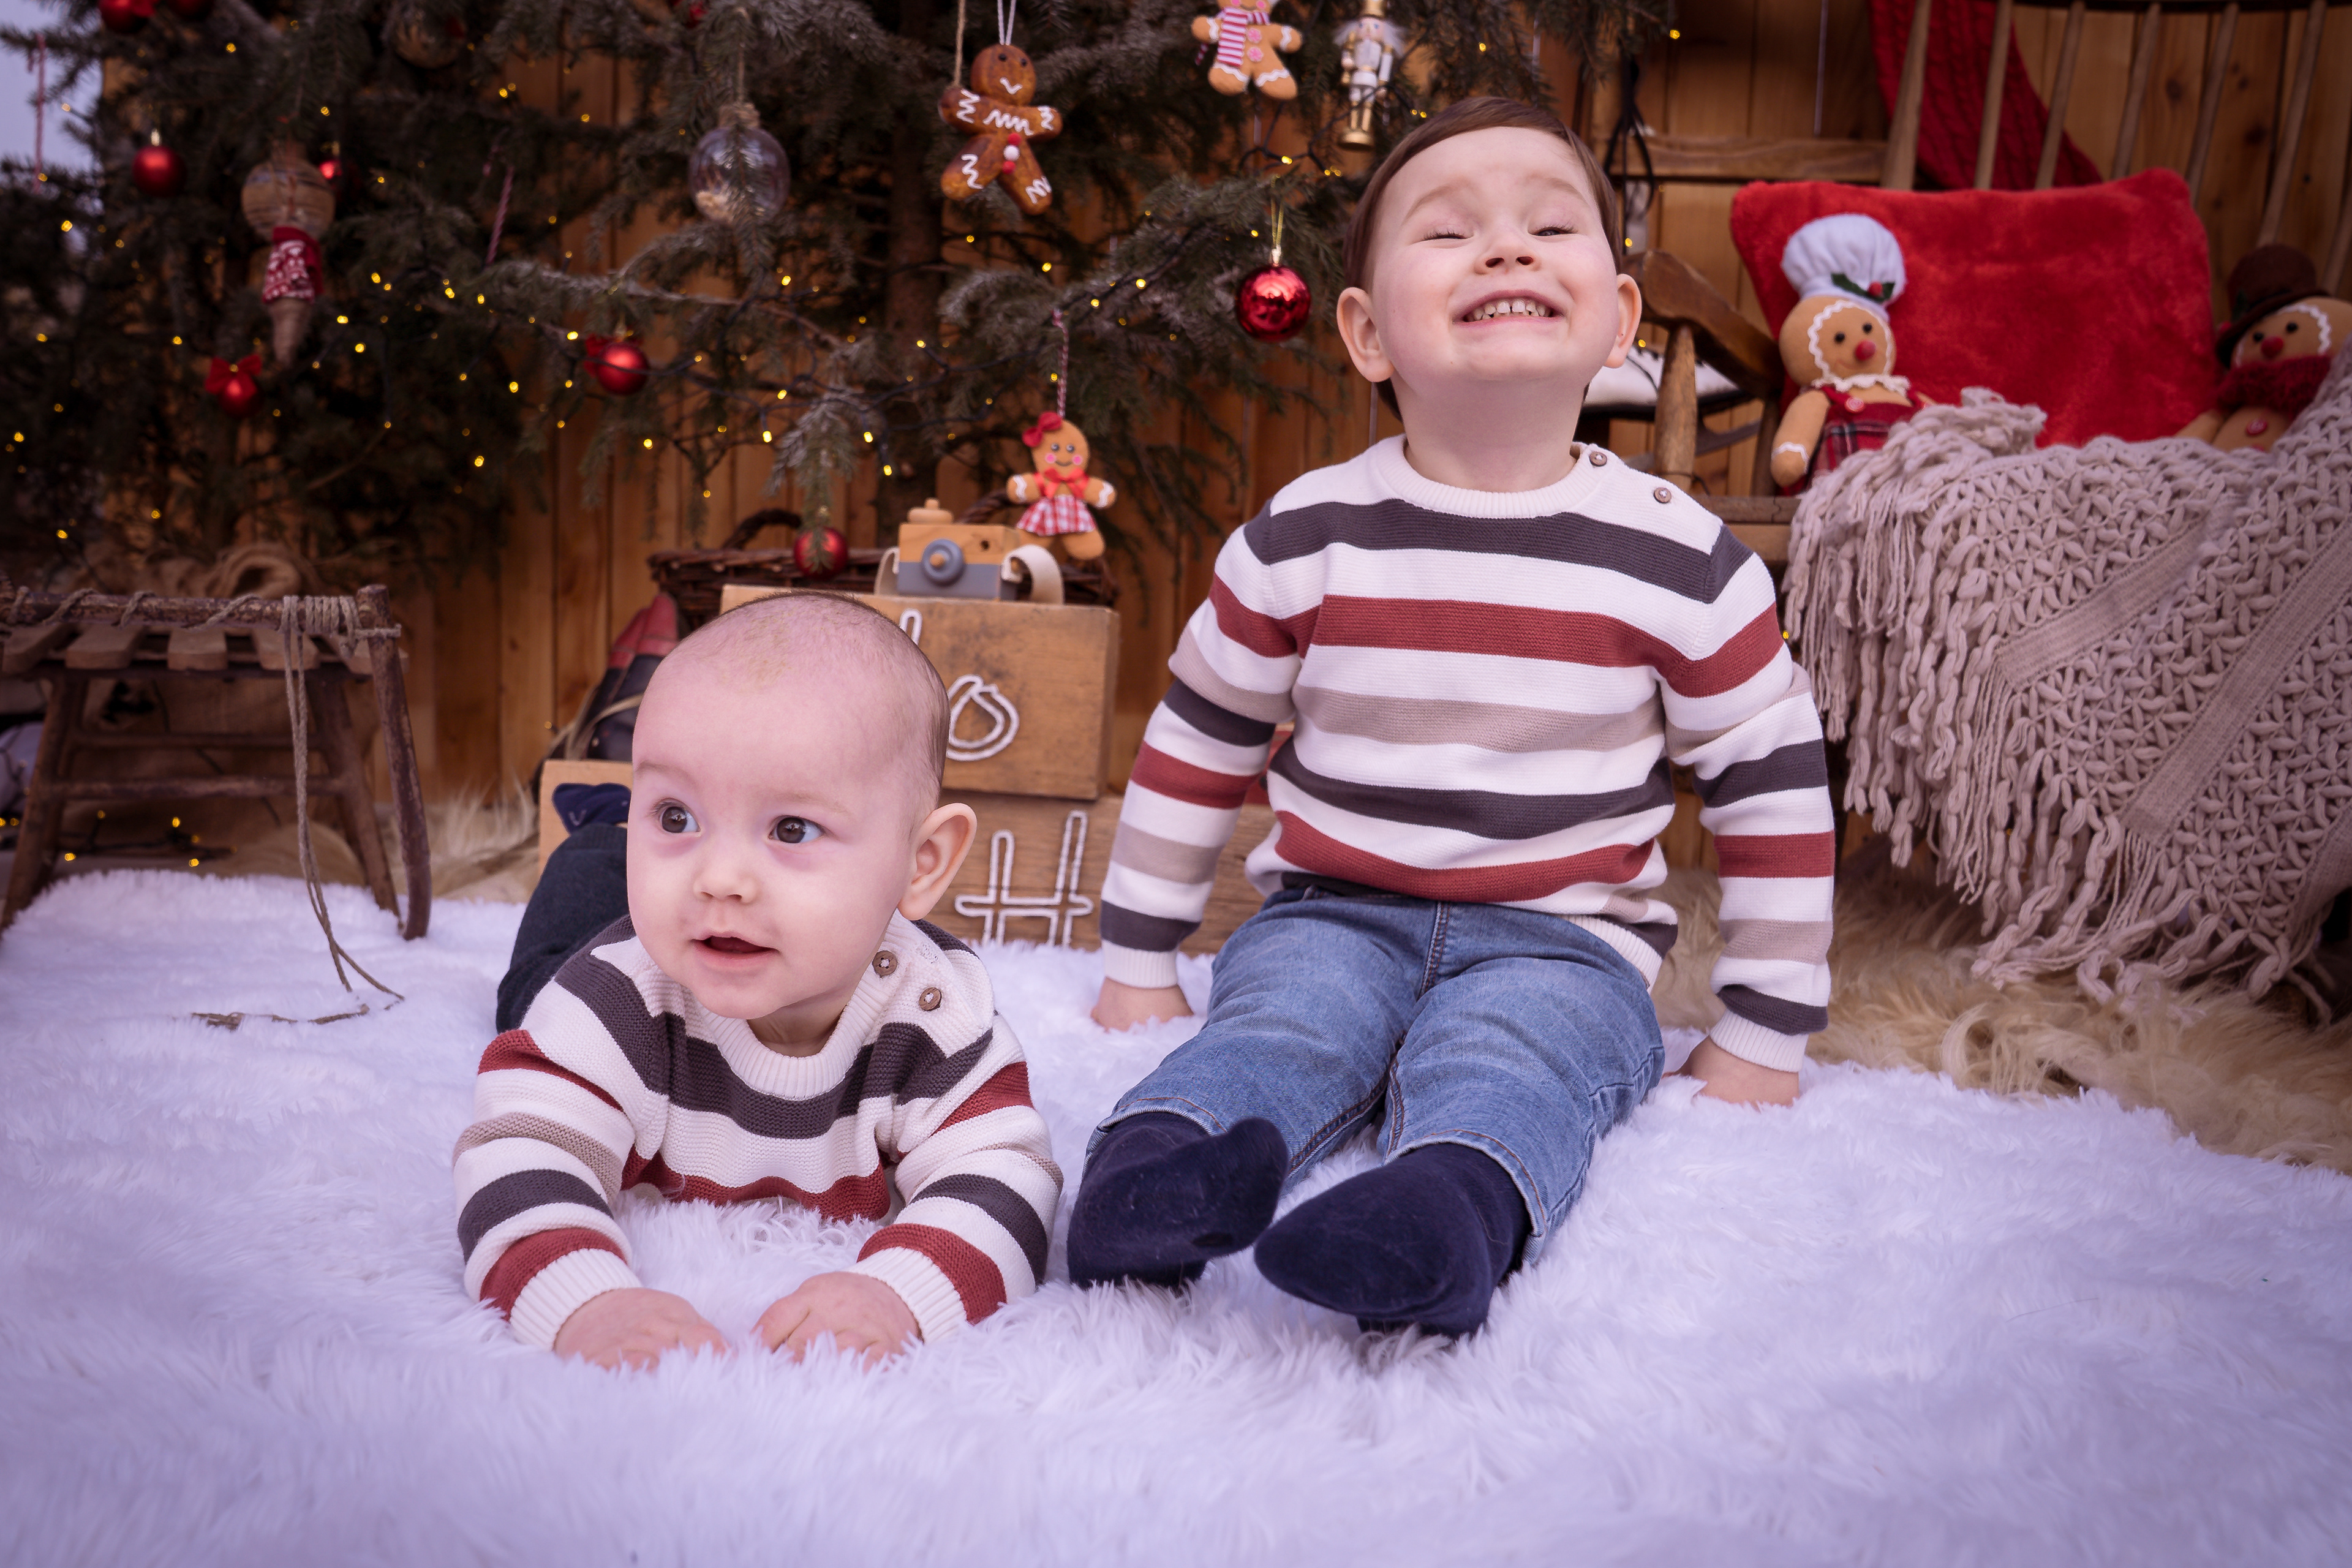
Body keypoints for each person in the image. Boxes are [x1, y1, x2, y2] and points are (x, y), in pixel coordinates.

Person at [1069, 97, 1836, 1337]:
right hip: (1332, 913)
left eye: (1550, 225)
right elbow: (1199, 740)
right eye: (1449, 231)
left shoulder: (1683, 560)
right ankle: (1150, 1172)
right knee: (1280, 1029)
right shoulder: (1303, 539)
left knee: (1519, 1060)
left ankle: (1444, 1210)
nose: (1507, 247)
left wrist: (1765, 1027)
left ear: (1620, 321)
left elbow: (1773, 787)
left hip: (1566, 943)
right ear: (1368, 334)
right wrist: (1138, 960)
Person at [454, 592, 1061, 1369]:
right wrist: (583, 1297)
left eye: (791, 828)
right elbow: (519, 1146)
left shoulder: (933, 1014)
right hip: (615, 948)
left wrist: (899, 1293)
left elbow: (1007, 1176)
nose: (722, 878)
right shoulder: (613, 998)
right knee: (532, 996)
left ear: (922, 863)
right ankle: (603, 842)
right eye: (676, 816)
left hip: (677, 938)